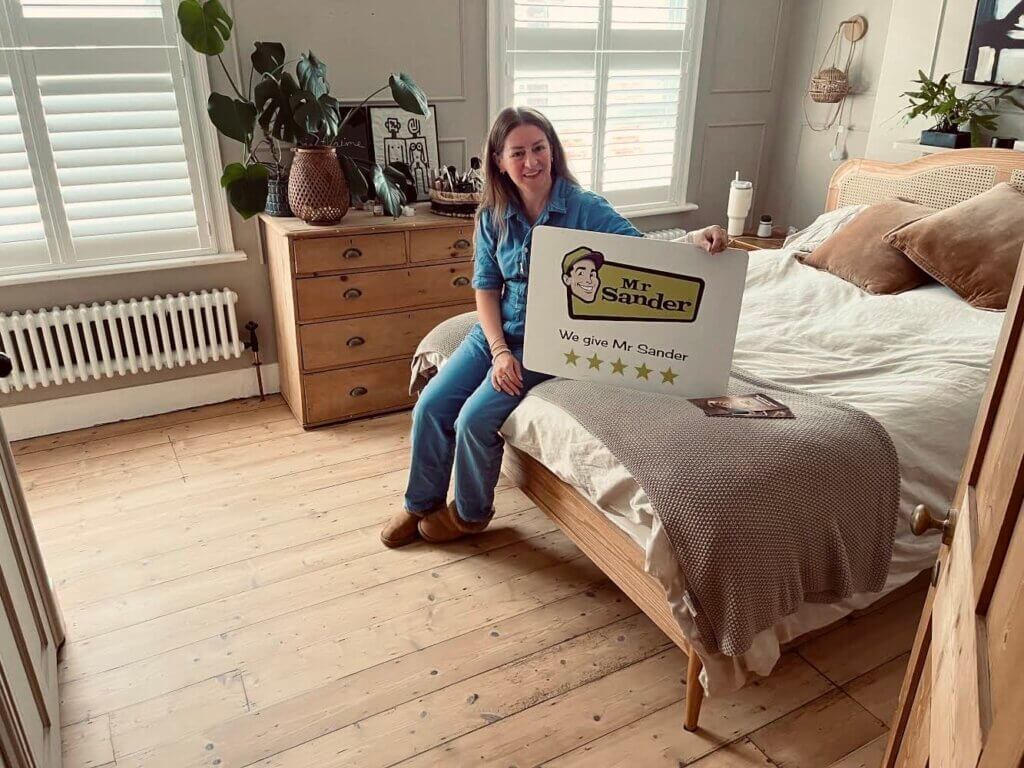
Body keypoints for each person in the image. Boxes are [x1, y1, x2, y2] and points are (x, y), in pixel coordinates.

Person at [381, 106, 728, 547]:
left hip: (549, 342)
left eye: (539, 148)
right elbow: (486, 289)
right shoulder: (491, 216)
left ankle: (470, 516)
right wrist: (498, 349)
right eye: (518, 153)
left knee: (473, 418)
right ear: (499, 162)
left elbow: (642, 256)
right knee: (431, 404)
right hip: (497, 334)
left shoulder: (584, 208)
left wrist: (695, 240)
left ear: (553, 151)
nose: (531, 162)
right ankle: (420, 503)